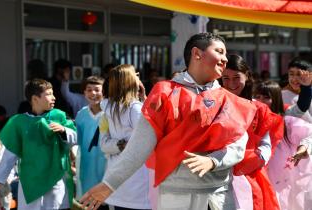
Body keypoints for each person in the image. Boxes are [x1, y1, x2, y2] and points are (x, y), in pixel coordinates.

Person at [80, 32, 257, 210]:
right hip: (177, 197)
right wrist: (110, 184)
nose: (225, 59)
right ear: (197, 54)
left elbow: (238, 144)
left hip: (221, 197)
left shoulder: (230, 100)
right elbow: (138, 146)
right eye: (219, 51)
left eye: (225, 54)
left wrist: (214, 161)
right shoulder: (164, 93)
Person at [0, 78, 77, 210]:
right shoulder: (19, 122)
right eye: (49, 94)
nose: (54, 97)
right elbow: (10, 153)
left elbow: (77, 138)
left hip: (55, 178)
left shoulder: (59, 116)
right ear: (35, 99)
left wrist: (64, 130)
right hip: (30, 180)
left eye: (53, 93)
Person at [221, 54, 283, 210]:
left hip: (250, 174)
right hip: (218, 172)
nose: (231, 83)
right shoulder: (214, 104)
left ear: (247, 76)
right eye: (225, 78)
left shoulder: (259, 108)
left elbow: (266, 143)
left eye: (236, 77)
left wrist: (257, 159)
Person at [99, 64, 151, 210]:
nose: (138, 76)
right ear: (129, 80)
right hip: (138, 181)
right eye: (136, 74)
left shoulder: (108, 109)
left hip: (117, 179)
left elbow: (104, 144)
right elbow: (150, 136)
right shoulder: (135, 108)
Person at [254, 80, 312, 210]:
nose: (260, 101)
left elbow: (310, 134)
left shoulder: (287, 123)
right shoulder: (250, 123)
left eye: (266, 97)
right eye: (257, 96)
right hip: (264, 183)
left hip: (290, 184)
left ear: (276, 99)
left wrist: (304, 147)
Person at [74, 76, 108, 210]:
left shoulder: (109, 113)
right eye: (89, 90)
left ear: (104, 92)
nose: (93, 93)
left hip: (106, 165)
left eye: (97, 90)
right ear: (84, 93)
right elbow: (76, 140)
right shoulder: (81, 114)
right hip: (86, 166)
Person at [282, 57, 312, 123]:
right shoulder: (281, 95)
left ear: (309, 75)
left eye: (299, 74)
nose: (294, 79)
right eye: (291, 74)